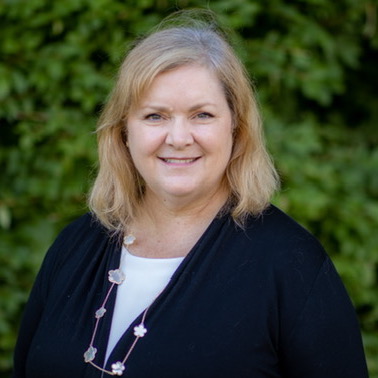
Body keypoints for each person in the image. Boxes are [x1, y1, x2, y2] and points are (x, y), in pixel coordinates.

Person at [13, 10, 368, 378]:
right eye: (155, 116)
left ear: (237, 128)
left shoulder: (293, 265)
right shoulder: (76, 245)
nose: (179, 138)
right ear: (123, 132)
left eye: (202, 115)